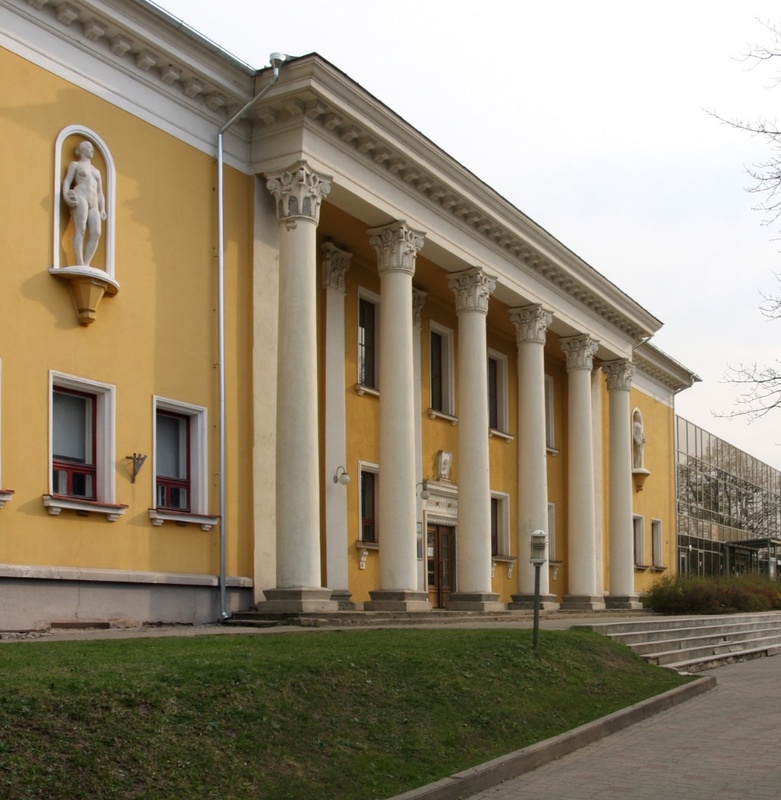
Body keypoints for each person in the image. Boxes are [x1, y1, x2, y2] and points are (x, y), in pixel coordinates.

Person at [62, 140, 106, 266]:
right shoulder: (75, 165)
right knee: (80, 228)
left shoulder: (97, 171)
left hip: (94, 203)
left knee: (96, 233)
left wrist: (102, 209)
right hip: (81, 196)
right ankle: (79, 262)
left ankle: (86, 264)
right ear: (82, 150)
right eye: (89, 148)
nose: (92, 150)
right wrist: (66, 195)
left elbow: (99, 192)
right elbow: (67, 181)